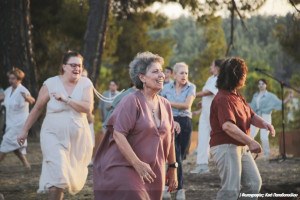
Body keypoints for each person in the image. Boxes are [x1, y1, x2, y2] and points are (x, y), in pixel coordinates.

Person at [93, 52, 178, 200]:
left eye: (161, 71)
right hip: (125, 167)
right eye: (155, 71)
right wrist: (137, 164)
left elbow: (170, 139)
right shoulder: (131, 101)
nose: (161, 75)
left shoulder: (165, 105)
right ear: (142, 77)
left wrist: (172, 168)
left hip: (153, 172)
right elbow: (118, 135)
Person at [17, 51, 94, 200]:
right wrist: (24, 130)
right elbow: (38, 108)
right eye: (73, 65)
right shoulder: (51, 83)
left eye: (79, 66)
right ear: (64, 66)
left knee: (62, 178)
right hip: (52, 134)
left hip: (77, 139)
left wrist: (67, 100)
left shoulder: (86, 83)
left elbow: (87, 108)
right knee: (59, 174)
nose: (76, 69)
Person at [210, 58, 275, 200]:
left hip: (240, 146)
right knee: (230, 190)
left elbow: (251, 116)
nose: (245, 76)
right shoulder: (222, 98)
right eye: (243, 73)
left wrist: (265, 124)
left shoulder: (237, 96)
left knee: (253, 183)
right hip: (225, 146)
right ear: (236, 75)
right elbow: (227, 126)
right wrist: (251, 141)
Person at [160, 62, 196, 200]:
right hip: (170, 120)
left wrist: (167, 102)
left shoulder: (191, 87)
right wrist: (168, 111)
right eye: (181, 73)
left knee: (180, 157)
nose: (184, 75)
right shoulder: (165, 88)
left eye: (186, 73)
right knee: (174, 154)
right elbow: (160, 105)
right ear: (174, 75)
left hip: (185, 122)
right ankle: (179, 189)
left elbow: (187, 105)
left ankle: (170, 185)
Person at [190, 59, 224, 174]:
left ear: (218, 67)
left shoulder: (220, 79)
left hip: (213, 113)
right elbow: (207, 95)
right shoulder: (211, 78)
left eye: (212, 65)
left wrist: (191, 95)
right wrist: (202, 102)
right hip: (205, 112)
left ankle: (224, 163)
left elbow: (208, 92)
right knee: (203, 138)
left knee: (218, 138)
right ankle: (202, 165)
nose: (210, 67)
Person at [0, 68, 35, 169]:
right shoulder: (9, 90)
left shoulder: (22, 90)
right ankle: (26, 165)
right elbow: (2, 96)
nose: (11, 80)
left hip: (19, 124)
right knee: (14, 145)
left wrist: (26, 98)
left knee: (5, 143)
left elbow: (32, 100)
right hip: (11, 123)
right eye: (10, 78)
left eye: (13, 78)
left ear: (19, 80)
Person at [249, 78, 293, 157]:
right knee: (250, 134)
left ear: (266, 85)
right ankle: (248, 152)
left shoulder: (270, 96)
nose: (261, 85)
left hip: (266, 116)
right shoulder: (255, 95)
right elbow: (251, 106)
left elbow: (280, 103)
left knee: (264, 137)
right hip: (256, 116)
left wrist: (288, 98)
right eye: (259, 84)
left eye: (263, 84)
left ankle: (266, 153)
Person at [81, 69, 95, 165]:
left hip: (88, 118)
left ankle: (88, 159)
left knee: (91, 141)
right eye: (82, 75)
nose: (83, 78)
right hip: (80, 118)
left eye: (85, 76)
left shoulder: (87, 87)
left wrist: (90, 115)